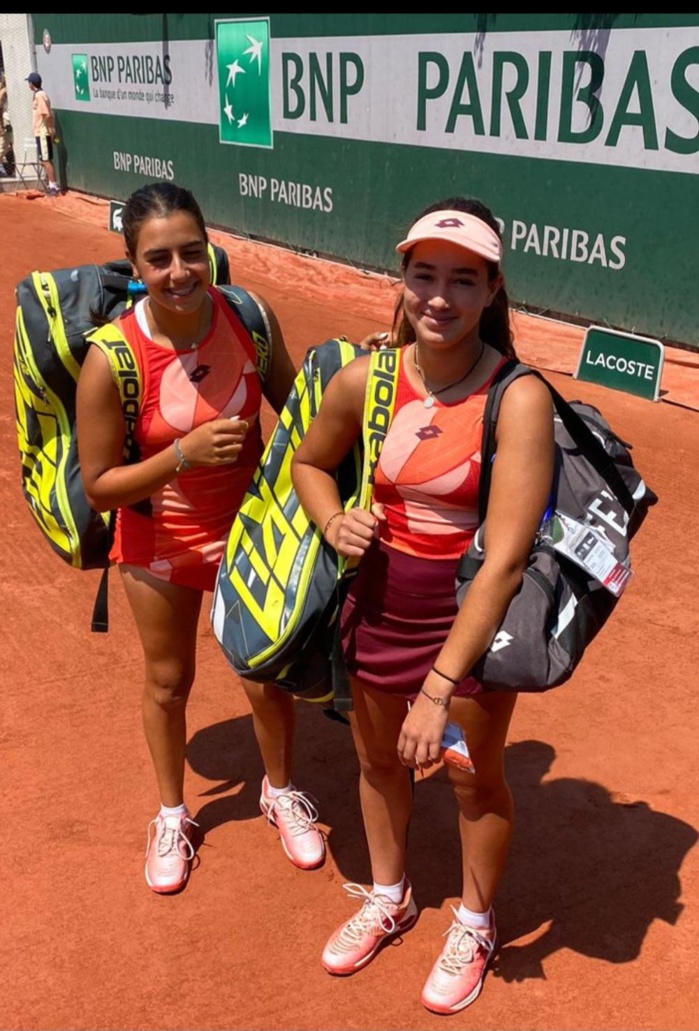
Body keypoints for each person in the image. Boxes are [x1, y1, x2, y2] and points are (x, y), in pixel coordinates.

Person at [291, 197, 555, 1013]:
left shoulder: (517, 398)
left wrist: (439, 685)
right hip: (374, 607)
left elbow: (506, 557)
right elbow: (308, 460)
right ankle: (391, 892)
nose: (438, 296)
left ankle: (474, 919)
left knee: (472, 782)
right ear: (401, 279)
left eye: (461, 280)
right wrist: (332, 516)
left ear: (491, 289)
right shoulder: (364, 379)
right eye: (423, 275)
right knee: (375, 763)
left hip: (467, 627)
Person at [76, 181, 327, 894]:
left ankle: (279, 790)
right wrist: (180, 456)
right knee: (167, 679)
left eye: (192, 251)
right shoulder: (111, 358)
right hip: (158, 538)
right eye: (158, 258)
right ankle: (171, 811)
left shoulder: (247, 317)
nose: (179, 270)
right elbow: (99, 484)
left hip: (250, 531)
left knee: (264, 670)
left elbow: (301, 413)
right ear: (132, 262)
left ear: (211, 248)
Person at [25, 71, 60, 195]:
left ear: (31, 83)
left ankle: (54, 187)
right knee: (44, 160)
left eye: (28, 82)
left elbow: (47, 114)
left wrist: (50, 130)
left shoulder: (40, 95)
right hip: (40, 133)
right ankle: (51, 185)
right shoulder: (38, 94)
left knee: (46, 160)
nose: (28, 84)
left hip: (43, 132)